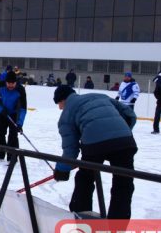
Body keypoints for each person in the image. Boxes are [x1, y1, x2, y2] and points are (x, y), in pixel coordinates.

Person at [51, 86, 137, 219]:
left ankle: (82, 216)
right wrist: (118, 131)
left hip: (94, 144)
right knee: (124, 183)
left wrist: (62, 170)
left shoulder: (67, 114)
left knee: (85, 178)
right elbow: (130, 115)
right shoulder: (100, 96)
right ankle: (118, 226)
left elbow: (70, 148)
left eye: (59, 104)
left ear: (63, 100)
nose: (59, 108)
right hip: (125, 141)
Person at [0, 71, 27, 161]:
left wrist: (20, 123)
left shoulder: (20, 89)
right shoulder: (0, 85)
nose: (10, 86)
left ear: (15, 82)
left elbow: (23, 109)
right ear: (5, 82)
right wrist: (1, 109)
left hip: (14, 115)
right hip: (2, 113)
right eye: (8, 83)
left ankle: (12, 158)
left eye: (12, 83)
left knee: (13, 136)